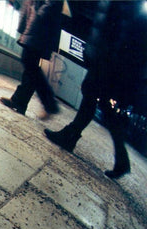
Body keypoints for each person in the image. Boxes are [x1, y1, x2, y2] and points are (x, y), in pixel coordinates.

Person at [44, 0, 147, 179]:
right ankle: (121, 159)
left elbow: (118, 28)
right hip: (106, 56)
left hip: (108, 59)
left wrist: (103, 56)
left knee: (90, 93)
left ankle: (71, 135)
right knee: (102, 103)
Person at [0, 0, 63, 118]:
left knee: (29, 63)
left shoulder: (41, 15)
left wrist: (37, 16)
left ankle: (50, 104)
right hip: (36, 24)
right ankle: (20, 102)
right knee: (30, 64)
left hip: (40, 27)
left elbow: (51, 4)